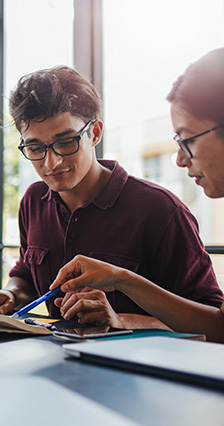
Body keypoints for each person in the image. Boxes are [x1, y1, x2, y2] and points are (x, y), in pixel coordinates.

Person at [0, 65, 223, 330]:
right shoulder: (33, 200)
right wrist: (12, 294)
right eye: (35, 147)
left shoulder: (161, 211)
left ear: (95, 133)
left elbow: (213, 322)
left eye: (65, 142)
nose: (51, 163)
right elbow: (26, 274)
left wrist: (122, 320)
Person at [50, 48, 224, 343]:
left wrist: (120, 293)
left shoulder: (162, 209)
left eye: (187, 139)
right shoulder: (33, 201)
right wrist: (120, 278)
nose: (180, 160)